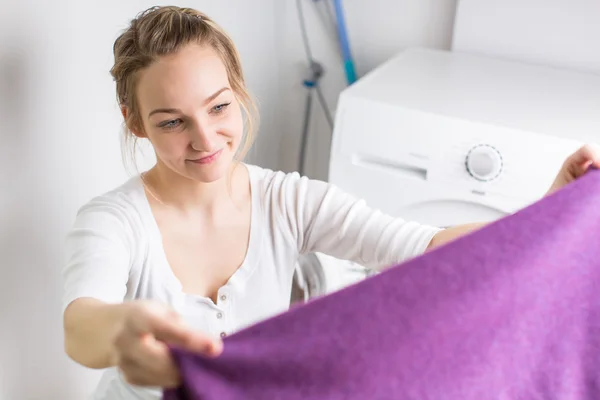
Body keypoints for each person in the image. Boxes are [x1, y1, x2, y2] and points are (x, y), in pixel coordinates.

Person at [61, 5, 600, 400]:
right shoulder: (114, 221)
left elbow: (427, 246)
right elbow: (81, 325)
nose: (205, 139)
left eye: (219, 107)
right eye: (172, 122)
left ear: (239, 91)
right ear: (136, 122)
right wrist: (122, 330)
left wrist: (551, 207)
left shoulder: (287, 201)